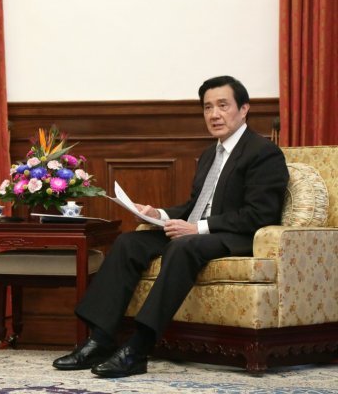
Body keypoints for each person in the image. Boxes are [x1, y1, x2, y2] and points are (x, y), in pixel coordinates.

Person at [52, 75, 289, 378]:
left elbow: (260, 214)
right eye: (207, 107)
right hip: (199, 234)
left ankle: (138, 348)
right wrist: (158, 213)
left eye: (223, 105)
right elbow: (195, 205)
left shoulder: (263, 152)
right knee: (129, 243)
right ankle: (100, 339)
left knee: (183, 246)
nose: (214, 114)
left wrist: (198, 228)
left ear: (244, 109)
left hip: (237, 237)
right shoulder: (210, 154)